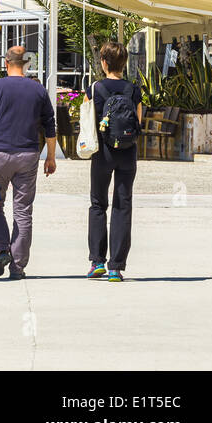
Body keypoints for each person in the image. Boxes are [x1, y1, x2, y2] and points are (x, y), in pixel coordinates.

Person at [0, 46, 57, 281]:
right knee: (23, 211)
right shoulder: (37, 89)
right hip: (28, 155)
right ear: (26, 64)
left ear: (6, 63)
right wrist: (50, 156)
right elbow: (50, 124)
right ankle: (17, 267)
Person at [88, 40, 142, 282]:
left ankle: (97, 261)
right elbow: (138, 123)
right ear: (124, 64)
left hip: (102, 152)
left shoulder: (95, 88)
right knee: (123, 204)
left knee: (98, 204)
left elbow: (88, 124)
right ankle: (115, 267)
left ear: (104, 62)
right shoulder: (133, 90)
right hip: (127, 152)